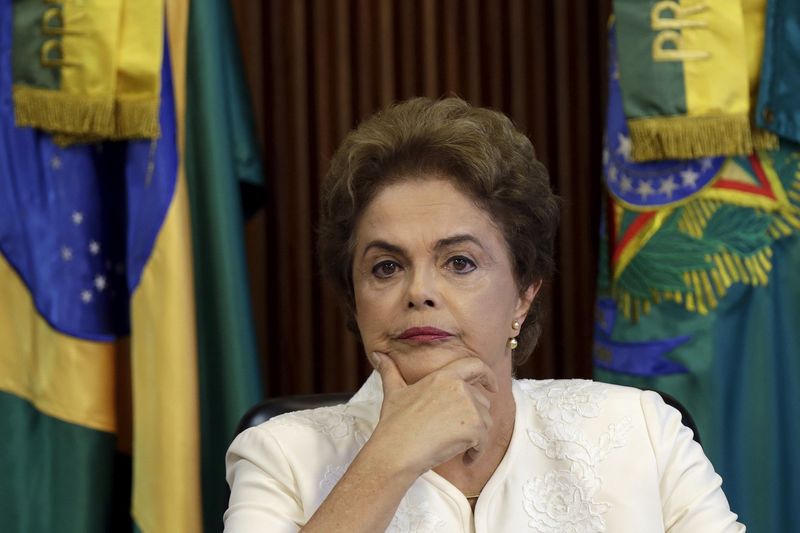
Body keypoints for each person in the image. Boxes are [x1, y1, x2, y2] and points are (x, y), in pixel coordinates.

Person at [223, 97, 745, 532]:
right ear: (353, 296)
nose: (419, 291)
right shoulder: (279, 458)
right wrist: (387, 462)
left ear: (524, 293)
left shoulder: (642, 431)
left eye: (460, 262)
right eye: (385, 267)